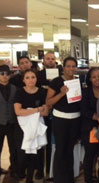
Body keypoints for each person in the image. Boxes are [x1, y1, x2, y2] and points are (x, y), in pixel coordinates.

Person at [46, 57, 81, 183]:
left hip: (75, 119)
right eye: (68, 66)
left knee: (70, 149)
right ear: (63, 67)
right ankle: (59, 179)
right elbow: (48, 102)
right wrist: (61, 94)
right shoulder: (56, 82)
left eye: (73, 66)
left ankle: (69, 177)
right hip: (60, 119)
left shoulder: (78, 81)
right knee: (60, 150)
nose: (71, 69)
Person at [14, 70, 49, 183]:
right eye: (27, 77)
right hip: (22, 127)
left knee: (36, 153)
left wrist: (29, 111)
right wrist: (36, 110)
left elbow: (45, 112)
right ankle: (22, 174)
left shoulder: (42, 92)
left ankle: (31, 177)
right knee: (23, 153)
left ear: (36, 79)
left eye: (33, 77)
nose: (30, 80)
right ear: (23, 80)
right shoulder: (19, 92)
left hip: (37, 126)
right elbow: (18, 111)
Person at [35, 51, 61, 179]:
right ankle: (39, 169)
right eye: (48, 59)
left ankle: (51, 170)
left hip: (56, 112)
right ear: (44, 61)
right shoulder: (38, 75)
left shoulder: (61, 75)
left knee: (52, 142)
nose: (50, 61)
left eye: (52, 59)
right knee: (40, 142)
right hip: (41, 111)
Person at [81, 67, 99, 183]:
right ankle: (88, 179)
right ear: (90, 79)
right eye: (94, 77)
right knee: (90, 156)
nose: (97, 79)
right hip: (90, 128)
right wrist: (98, 118)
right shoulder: (85, 92)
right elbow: (84, 110)